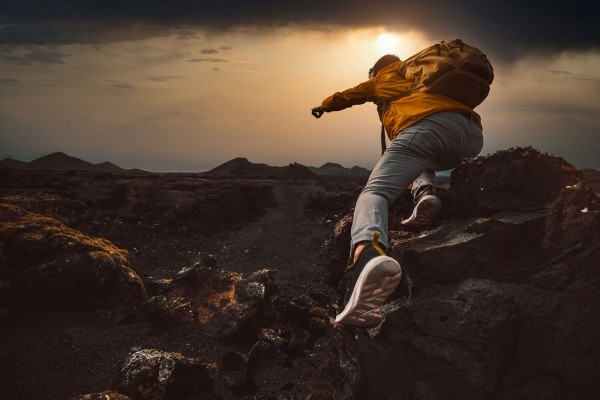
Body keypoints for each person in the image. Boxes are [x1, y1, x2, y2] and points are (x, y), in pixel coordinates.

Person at [311, 53, 484, 328]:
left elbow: (348, 95)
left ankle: (368, 255)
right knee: (420, 159)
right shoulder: (422, 76)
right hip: (471, 134)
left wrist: (324, 106)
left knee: (374, 193)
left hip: (426, 125)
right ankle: (427, 193)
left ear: (375, 71)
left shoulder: (382, 77)